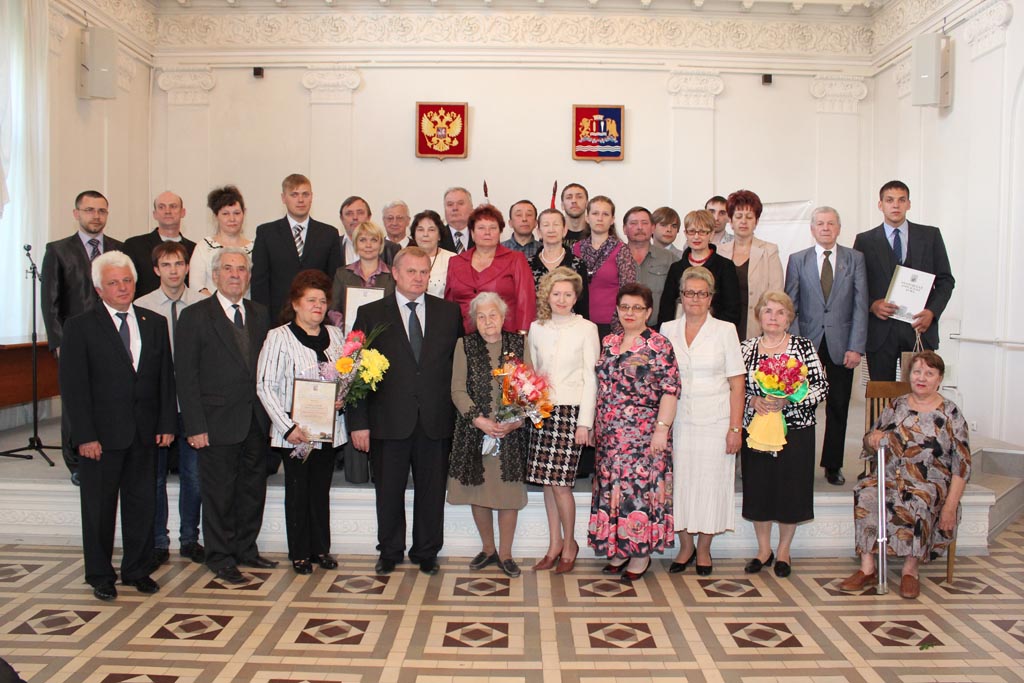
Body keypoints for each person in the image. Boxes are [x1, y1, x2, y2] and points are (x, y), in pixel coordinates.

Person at [59, 251, 176, 601]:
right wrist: (84, 436)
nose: (122, 287)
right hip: (100, 438)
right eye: (113, 283)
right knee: (99, 509)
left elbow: (164, 379)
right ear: (99, 289)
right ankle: (100, 575)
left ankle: (137, 569)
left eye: (127, 280)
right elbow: (74, 388)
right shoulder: (79, 327)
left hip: (144, 433)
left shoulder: (154, 323)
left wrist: (166, 423)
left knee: (142, 505)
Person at [348, 247, 464, 576]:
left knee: (431, 492)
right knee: (388, 491)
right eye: (411, 271)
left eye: (424, 272)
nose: (418, 278)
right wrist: (358, 423)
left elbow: (459, 368)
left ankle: (427, 551)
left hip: (435, 420)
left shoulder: (448, 313)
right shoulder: (370, 313)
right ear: (395, 274)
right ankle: (389, 550)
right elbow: (353, 371)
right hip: (387, 421)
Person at [175, 247, 276, 584]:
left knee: (252, 490)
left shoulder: (260, 313)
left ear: (249, 276)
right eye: (228, 269)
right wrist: (194, 425)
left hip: (256, 420)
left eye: (242, 269)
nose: (235, 274)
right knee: (218, 494)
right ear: (215, 275)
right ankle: (219, 556)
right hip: (215, 423)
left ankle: (246, 549)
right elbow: (185, 376)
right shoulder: (195, 316)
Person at [839, 351, 970, 599]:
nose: (921, 378)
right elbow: (869, 440)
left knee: (919, 498)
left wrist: (951, 506)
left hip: (930, 480)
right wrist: (873, 439)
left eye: (929, 373)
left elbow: (962, 465)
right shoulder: (897, 405)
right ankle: (867, 568)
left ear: (939, 379)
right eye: (917, 372)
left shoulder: (950, 413)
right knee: (865, 492)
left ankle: (911, 570)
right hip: (892, 473)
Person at [256, 270, 347, 575]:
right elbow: (264, 385)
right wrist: (288, 428)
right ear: (295, 303)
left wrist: (342, 398)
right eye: (311, 300)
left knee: (320, 492)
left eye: (322, 301)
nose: (318, 306)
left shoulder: (335, 336)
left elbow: (346, 377)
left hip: (327, 431)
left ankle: (320, 548)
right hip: (296, 433)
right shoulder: (278, 337)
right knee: (298, 492)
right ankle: (299, 553)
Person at [588, 284, 679, 582]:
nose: (630, 313)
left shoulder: (658, 344)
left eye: (637, 308)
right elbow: (601, 386)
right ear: (617, 309)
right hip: (609, 435)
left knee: (638, 493)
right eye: (625, 307)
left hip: (643, 434)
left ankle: (640, 553)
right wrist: (594, 424)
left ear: (648, 312)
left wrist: (661, 430)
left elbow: (670, 390)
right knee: (612, 490)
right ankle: (619, 549)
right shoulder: (609, 342)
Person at [660, 267, 744, 576]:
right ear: (680, 296)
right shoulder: (667, 329)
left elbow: (737, 384)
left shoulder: (725, 330)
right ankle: (685, 547)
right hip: (678, 420)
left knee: (711, 485)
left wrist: (735, 428)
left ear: (711, 297)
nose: (695, 299)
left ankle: (705, 549)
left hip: (715, 421)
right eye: (689, 293)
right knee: (680, 484)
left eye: (702, 293)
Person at [739, 291, 829, 578]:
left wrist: (790, 400)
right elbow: (734, 389)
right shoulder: (746, 349)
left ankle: (784, 551)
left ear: (789, 318)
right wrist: (752, 401)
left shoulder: (803, 347)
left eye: (780, 312)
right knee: (759, 488)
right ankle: (763, 550)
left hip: (796, 431)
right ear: (758, 316)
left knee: (792, 489)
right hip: (757, 431)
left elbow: (821, 387)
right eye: (768, 311)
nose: (773, 317)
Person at [42, 190, 125, 482]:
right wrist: (59, 343)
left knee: (109, 397)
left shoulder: (119, 249)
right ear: (76, 213)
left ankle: (109, 453)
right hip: (74, 340)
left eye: (101, 211)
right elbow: (50, 302)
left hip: (113, 337)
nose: (96, 216)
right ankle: (75, 462)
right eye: (89, 210)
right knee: (75, 400)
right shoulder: (58, 250)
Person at [448, 292, 530, 578]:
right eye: (480, 317)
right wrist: (479, 421)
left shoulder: (519, 343)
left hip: (510, 434)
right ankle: (488, 549)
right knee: (479, 491)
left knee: (508, 494)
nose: (487, 321)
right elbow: (457, 389)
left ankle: (506, 555)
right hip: (475, 431)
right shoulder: (464, 345)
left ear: (503, 316)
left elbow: (529, 387)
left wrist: (514, 422)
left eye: (492, 315)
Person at [785, 206, 868, 486]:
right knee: (801, 405)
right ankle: (800, 462)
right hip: (807, 346)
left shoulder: (855, 259)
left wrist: (856, 346)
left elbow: (860, 305)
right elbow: (790, 306)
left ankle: (833, 464)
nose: (825, 228)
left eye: (831, 223)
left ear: (838, 228)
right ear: (812, 229)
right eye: (820, 223)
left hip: (842, 346)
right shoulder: (798, 260)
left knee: (838, 406)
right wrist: (796, 349)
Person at [135, 242, 205, 568]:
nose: (173, 270)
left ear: (187, 267)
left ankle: (190, 538)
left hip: (192, 403)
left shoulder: (202, 304)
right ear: (156, 270)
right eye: (166, 265)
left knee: (194, 476)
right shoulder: (141, 306)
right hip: (156, 404)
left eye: (178, 264)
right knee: (155, 477)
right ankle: (158, 541)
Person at [526, 268, 599, 574]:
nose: (562, 299)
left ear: (576, 297)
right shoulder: (536, 327)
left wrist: (585, 423)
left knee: (561, 485)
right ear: (547, 295)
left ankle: (570, 544)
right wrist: (530, 409)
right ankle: (554, 544)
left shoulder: (587, 329)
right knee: (547, 482)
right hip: (543, 413)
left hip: (571, 413)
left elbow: (591, 378)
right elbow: (532, 373)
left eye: (568, 294)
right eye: (556, 293)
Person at [852, 180, 955, 380]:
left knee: (921, 389)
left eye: (901, 200)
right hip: (881, 332)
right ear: (880, 205)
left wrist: (932, 312)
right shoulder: (865, 240)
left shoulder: (930, 236)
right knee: (882, 394)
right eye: (890, 200)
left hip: (919, 328)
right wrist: (872, 305)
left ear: (909, 204)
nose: (896, 205)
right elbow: (856, 285)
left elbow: (946, 280)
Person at [251, 174, 343, 322]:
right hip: (277, 318)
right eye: (294, 194)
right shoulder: (266, 233)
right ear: (283, 198)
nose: (300, 200)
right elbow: (259, 282)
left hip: (317, 318)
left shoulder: (328, 234)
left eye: (305, 194)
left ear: (312, 197)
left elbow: (334, 281)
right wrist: (262, 320)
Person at [444, 205, 536, 334]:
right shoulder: (455, 262)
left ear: (500, 232)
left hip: (505, 335)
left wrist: (522, 335)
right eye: (481, 228)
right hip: (463, 335)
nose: (487, 232)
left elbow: (526, 301)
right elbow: (449, 305)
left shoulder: (515, 259)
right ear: (472, 233)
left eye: (493, 228)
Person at [658, 210, 741, 331]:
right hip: (680, 332)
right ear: (685, 234)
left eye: (702, 232)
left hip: (715, 333)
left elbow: (733, 310)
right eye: (692, 231)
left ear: (711, 234)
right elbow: (666, 309)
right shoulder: (676, 268)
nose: (696, 236)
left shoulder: (725, 266)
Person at [718, 190, 783, 339]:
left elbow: (776, 294)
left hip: (757, 326)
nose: (743, 221)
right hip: (724, 326)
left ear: (756, 221)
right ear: (730, 221)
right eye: (738, 216)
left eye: (749, 217)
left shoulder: (769, 251)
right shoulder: (719, 251)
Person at [572, 196, 638, 338]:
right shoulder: (576, 249)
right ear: (587, 218)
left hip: (613, 326)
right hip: (578, 323)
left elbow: (628, 290)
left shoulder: (621, 250)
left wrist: (619, 323)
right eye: (595, 213)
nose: (600, 218)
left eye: (605, 214)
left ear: (612, 220)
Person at [124, 191, 197, 299]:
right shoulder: (134, 246)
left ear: (183, 212)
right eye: (161, 207)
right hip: (143, 308)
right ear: (155, 214)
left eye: (173, 206)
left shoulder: (195, 249)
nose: (167, 211)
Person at [189, 186, 254, 298]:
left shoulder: (256, 246)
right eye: (225, 214)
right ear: (216, 216)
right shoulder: (203, 247)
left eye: (237, 213)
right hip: (211, 307)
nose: (232, 219)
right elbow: (196, 286)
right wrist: (222, 306)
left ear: (244, 213)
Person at [330, 221, 396, 327]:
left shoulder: (394, 275)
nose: (368, 245)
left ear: (381, 244)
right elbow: (334, 309)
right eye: (362, 240)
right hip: (349, 334)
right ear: (355, 244)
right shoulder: (342, 274)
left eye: (374, 240)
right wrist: (344, 329)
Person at [529, 208, 590, 317]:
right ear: (539, 232)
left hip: (569, 325)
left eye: (556, 224)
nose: (551, 229)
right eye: (546, 225)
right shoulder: (528, 264)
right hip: (537, 324)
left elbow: (582, 306)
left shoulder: (577, 264)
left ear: (564, 230)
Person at [624, 206, 674, 322]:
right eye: (634, 223)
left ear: (653, 228)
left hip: (659, 327)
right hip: (622, 327)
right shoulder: (615, 257)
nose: (640, 227)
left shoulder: (669, 258)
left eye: (644, 223)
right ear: (624, 229)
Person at [339, 196, 401, 267]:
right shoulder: (334, 245)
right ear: (341, 219)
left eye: (360, 213)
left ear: (369, 217)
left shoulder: (391, 249)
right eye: (349, 213)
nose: (355, 217)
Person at [409, 209, 455, 298]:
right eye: (420, 230)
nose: (425, 234)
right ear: (414, 234)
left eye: (431, 230)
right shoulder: (405, 258)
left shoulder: (452, 259)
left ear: (439, 236)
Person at [439, 187, 475, 253]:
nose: (455, 208)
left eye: (460, 203)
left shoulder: (481, 235)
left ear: (471, 208)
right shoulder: (437, 237)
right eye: (450, 204)